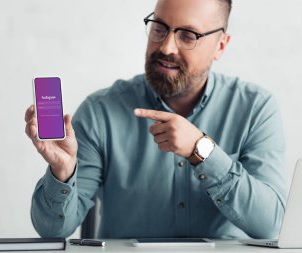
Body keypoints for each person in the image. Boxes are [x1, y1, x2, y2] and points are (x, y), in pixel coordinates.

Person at [25, 0, 287, 239]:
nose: (166, 47)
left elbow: (269, 225)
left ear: (220, 46)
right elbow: (52, 230)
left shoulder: (256, 109)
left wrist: (202, 151)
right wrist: (63, 172)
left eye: (188, 36)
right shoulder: (100, 112)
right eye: (159, 28)